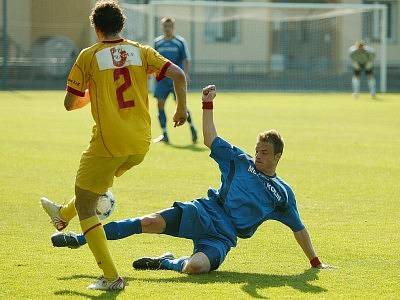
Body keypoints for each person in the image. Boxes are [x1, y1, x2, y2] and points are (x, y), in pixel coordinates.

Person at [51, 85, 333, 275]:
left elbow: (298, 229)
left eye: (265, 153)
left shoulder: (282, 194)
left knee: (194, 268)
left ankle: (165, 262)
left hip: (223, 236)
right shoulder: (239, 160)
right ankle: (78, 239)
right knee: (147, 223)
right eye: (257, 150)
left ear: (278, 156)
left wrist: (315, 262)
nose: (258, 155)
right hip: (205, 211)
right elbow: (210, 138)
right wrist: (207, 104)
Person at [40, 0, 188, 291]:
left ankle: (111, 277)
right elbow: (179, 75)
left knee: (86, 205)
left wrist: (91, 95)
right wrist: (181, 109)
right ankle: (61, 215)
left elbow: (70, 103)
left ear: (96, 29)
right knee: (92, 191)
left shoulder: (89, 56)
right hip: (140, 144)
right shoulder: (141, 51)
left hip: (109, 144)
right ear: (121, 26)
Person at [153, 17, 197, 144]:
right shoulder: (157, 42)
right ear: (162, 27)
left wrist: (186, 75)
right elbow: (154, 59)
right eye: (165, 26)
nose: (167, 28)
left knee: (181, 105)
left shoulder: (179, 42)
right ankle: (164, 133)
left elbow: (186, 59)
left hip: (176, 81)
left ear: (173, 27)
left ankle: (192, 128)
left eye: (169, 26)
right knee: (160, 105)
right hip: (162, 80)